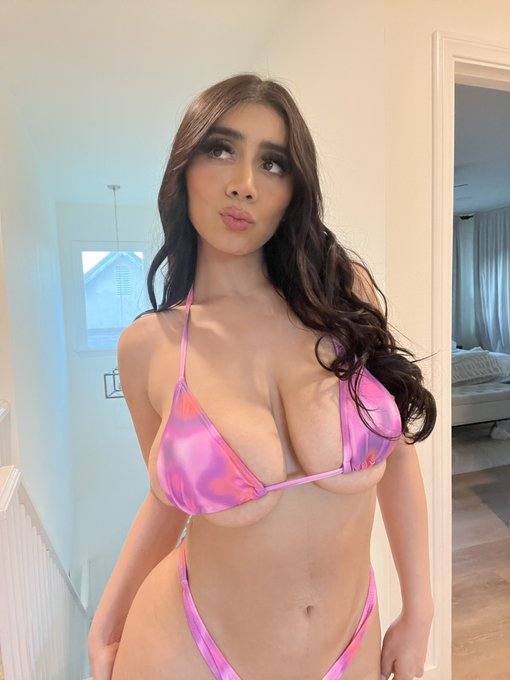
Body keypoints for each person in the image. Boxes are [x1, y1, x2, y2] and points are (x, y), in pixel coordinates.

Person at [88, 73, 435, 680]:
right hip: (187, 649)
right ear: (184, 169)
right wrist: (107, 623)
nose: (244, 184)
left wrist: (420, 609)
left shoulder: (341, 298)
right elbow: (167, 500)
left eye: (272, 163)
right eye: (221, 149)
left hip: (351, 642)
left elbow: (398, 454)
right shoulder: (150, 347)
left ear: (293, 189)